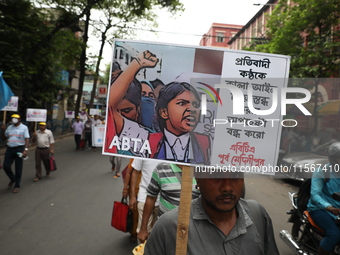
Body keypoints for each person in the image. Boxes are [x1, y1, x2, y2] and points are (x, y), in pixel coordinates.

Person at [106, 50, 210, 164]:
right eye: (182, 103)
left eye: (195, 105)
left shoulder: (206, 142)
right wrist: (137, 63)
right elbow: (111, 106)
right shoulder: (144, 138)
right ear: (164, 112)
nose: (192, 110)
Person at [144, 171, 279, 255]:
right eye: (216, 176)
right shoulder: (169, 226)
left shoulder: (257, 215)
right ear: (198, 178)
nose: (227, 187)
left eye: (236, 175)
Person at [138, 163, 200, 243]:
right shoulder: (161, 169)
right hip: (165, 230)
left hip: (193, 232)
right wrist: (143, 229)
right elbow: (151, 198)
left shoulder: (202, 170)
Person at [307, 141, 340, 255]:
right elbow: (315, 195)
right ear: (332, 158)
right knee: (333, 234)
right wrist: (329, 207)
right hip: (320, 209)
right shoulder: (322, 171)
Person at [129, 159, 161, 240]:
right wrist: (132, 195)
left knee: (160, 233)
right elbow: (135, 172)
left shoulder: (171, 151)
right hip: (144, 197)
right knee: (143, 234)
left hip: (163, 199)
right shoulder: (144, 150)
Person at [1, 113, 30, 193]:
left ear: (19, 119)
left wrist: (25, 150)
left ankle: (17, 185)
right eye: (13, 118)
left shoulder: (24, 128)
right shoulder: (9, 128)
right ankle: (13, 179)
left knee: (18, 168)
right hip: (10, 149)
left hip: (19, 149)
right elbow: (3, 138)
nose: (14, 119)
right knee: (6, 166)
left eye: (16, 118)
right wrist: (3, 130)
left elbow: (27, 139)